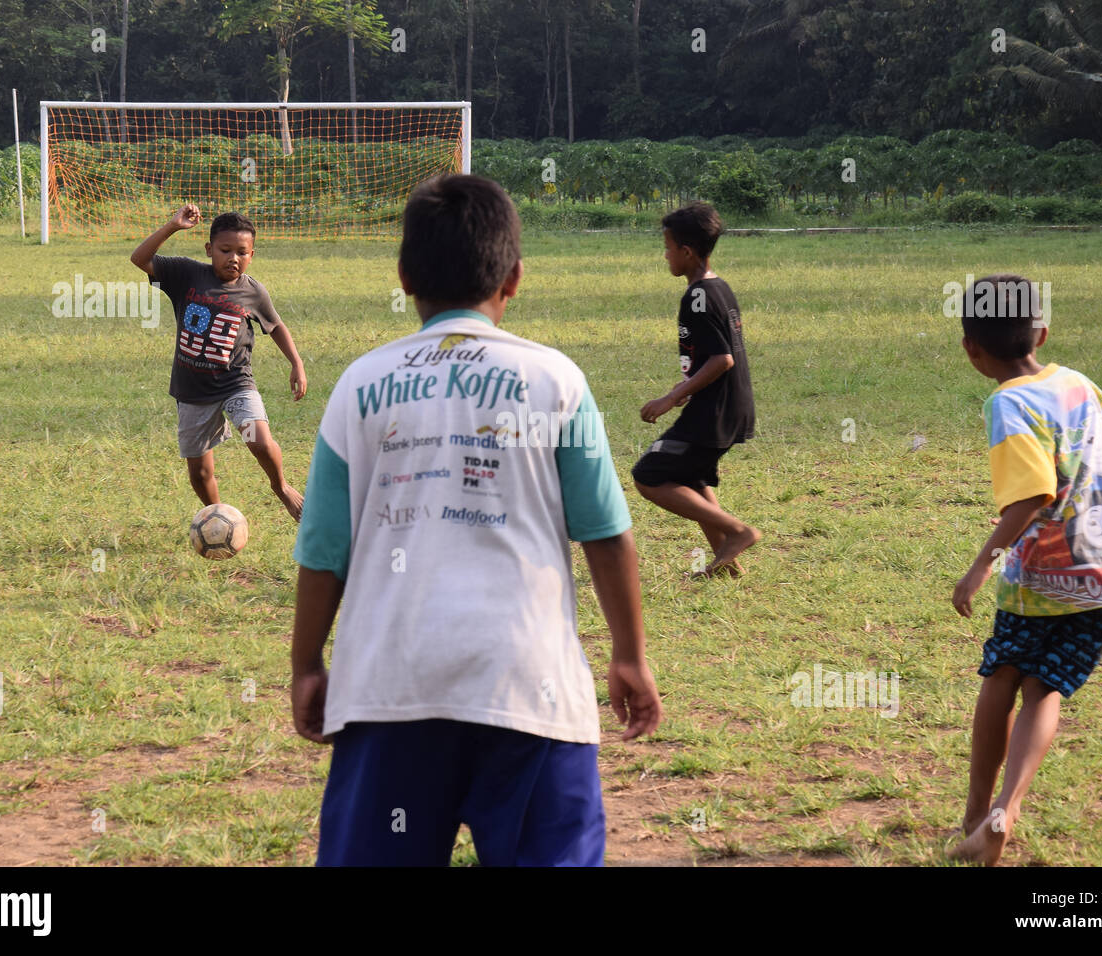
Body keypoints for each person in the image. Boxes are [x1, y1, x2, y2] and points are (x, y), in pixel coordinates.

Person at [290, 174, 662, 867]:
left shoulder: (359, 385)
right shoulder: (556, 380)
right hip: (529, 686)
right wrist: (630, 655)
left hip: (388, 688)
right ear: (514, 279)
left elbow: (323, 549)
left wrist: (307, 664)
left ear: (403, 277)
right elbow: (606, 532)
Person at [948, 273, 1102, 866]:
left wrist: (978, 569)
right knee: (1044, 689)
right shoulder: (1080, 384)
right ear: (1043, 331)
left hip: (1046, 578)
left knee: (1003, 674)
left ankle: (974, 816)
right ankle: (1003, 816)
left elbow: (1030, 496)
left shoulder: (1007, 403)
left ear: (970, 348)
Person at [132, 205, 306, 522]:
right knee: (199, 473)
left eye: (242, 252)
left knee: (259, 437)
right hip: (192, 390)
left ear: (252, 254)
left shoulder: (253, 291)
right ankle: (216, 518)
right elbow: (139, 259)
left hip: (235, 382)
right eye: (225, 250)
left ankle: (281, 487)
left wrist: (296, 363)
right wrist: (172, 226)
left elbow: (276, 326)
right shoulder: (186, 274)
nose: (233, 259)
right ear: (209, 249)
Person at [632, 202, 759, 577]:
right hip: (728, 403)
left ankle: (738, 532)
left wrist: (671, 398)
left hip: (715, 409)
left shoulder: (698, 296)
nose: (665, 254)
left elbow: (723, 359)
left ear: (686, 252)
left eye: (668, 247)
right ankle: (723, 560)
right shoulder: (718, 288)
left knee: (649, 475)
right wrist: (687, 385)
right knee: (692, 476)